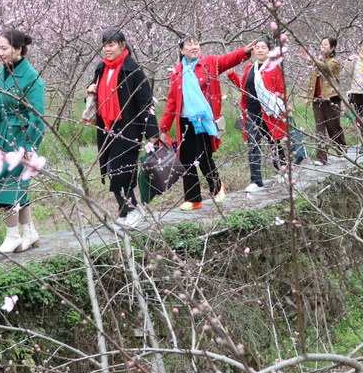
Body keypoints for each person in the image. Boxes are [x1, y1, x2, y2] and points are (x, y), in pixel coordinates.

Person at [0, 29, 45, 253]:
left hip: (20, 139)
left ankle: (13, 236)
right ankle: (29, 231)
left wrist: (31, 147)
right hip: (0, 137)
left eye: (4, 48)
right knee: (17, 185)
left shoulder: (32, 78)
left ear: (18, 49)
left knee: (7, 185)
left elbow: (37, 117)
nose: (0, 52)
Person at [160, 37, 254, 211]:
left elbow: (226, 61)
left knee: (203, 156)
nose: (194, 47)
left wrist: (244, 52)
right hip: (184, 120)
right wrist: (164, 126)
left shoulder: (208, 63)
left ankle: (217, 187)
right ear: (181, 50)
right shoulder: (176, 72)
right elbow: (172, 100)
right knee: (186, 160)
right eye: (190, 44)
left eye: (196, 43)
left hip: (203, 120)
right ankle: (193, 199)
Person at [87, 29, 159, 228]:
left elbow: (146, 101)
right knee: (110, 169)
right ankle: (125, 210)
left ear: (122, 45)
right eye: (104, 45)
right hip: (106, 127)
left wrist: (152, 132)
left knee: (122, 170)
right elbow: (98, 88)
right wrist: (91, 88)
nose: (107, 49)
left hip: (127, 128)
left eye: (111, 44)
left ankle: (133, 208)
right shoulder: (101, 67)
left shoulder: (133, 70)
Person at [228, 37, 290, 192]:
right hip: (251, 110)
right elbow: (244, 87)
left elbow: (281, 91)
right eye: (257, 47)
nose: (260, 50)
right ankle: (256, 181)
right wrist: (232, 75)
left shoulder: (275, 68)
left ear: (269, 50)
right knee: (253, 144)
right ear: (253, 50)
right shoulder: (249, 68)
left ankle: (283, 169)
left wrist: (281, 108)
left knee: (273, 142)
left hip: (268, 111)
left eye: (263, 47)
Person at [302, 37, 347, 165]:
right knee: (319, 128)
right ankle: (321, 157)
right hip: (317, 99)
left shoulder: (335, 62)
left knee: (333, 126)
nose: (323, 47)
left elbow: (326, 69)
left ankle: (341, 148)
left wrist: (311, 59)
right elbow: (312, 81)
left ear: (333, 47)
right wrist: (308, 97)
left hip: (331, 98)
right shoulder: (318, 61)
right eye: (321, 44)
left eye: (326, 44)